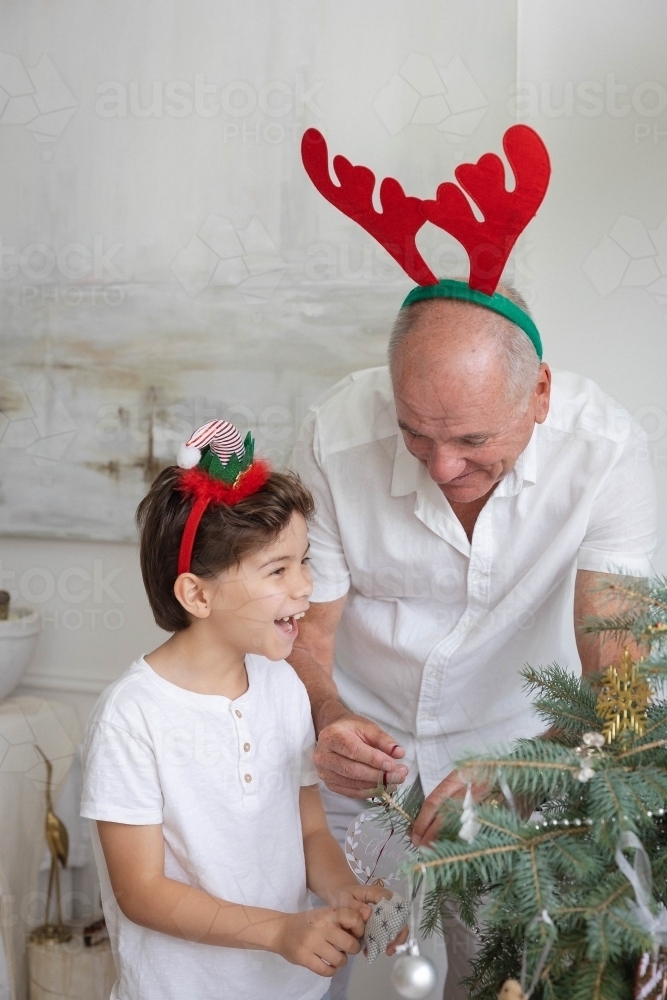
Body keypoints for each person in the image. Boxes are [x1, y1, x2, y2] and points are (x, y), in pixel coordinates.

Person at [288, 285, 657, 998]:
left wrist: (525, 767)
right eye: (415, 435)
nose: (440, 468)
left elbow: (621, 676)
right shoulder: (334, 434)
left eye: (471, 440)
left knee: (500, 977)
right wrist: (327, 714)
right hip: (353, 745)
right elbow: (304, 633)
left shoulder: (606, 452)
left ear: (539, 394)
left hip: (521, 747)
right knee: (292, 964)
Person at [80, 421, 396, 1000]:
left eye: (304, 560)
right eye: (278, 570)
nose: (305, 586)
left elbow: (309, 832)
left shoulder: (283, 686)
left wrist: (344, 892)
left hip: (289, 988)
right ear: (197, 595)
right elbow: (141, 891)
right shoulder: (131, 717)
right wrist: (278, 930)